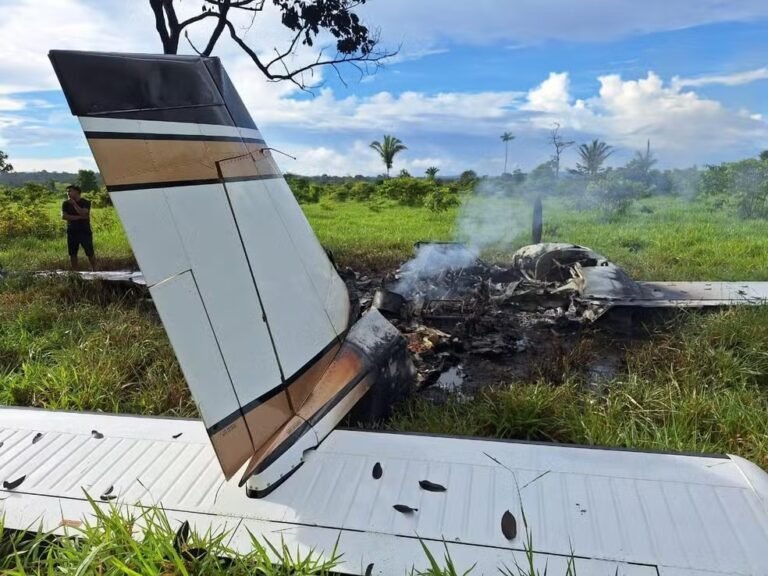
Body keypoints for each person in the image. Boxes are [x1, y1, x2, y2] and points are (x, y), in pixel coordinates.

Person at [61, 185, 96, 271]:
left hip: (84, 231)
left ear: (77, 192)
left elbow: (84, 213)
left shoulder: (86, 202)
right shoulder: (65, 203)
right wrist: (80, 217)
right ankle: (75, 272)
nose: (68, 193)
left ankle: (95, 270)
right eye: (67, 191)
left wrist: (74, 204)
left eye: (70, 191)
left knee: (89, 252)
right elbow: (64, 216)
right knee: (72, 253)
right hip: (72, 232)